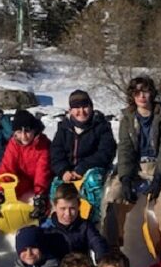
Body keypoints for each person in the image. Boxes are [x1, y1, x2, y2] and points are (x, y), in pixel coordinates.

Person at [100, 77, 161, 248]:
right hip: (135, 169)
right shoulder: (127, 118)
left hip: (159, 168)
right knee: (113, 196)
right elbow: (125, 150)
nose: (142, 96)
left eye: (145, 91)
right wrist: (126, 178)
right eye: (137, 92)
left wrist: (159, 177)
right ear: (132, 96)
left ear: (152, 93)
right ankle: (112, 245)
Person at [49, 89, 116, 224]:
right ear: (70, 110)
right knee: (56, 188)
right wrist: (63, 170)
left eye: (85, 107)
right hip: (69, 171)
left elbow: (106, 152)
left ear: (91, 107)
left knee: (93, 182)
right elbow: (56, 151)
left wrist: (83, 168)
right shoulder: (64, 128)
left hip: (92, 169)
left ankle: (97, 222)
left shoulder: (101, 126)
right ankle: (59, 223)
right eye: (77, 108)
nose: (82, 111)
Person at [0, 110, 52, 222]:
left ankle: (41, 218)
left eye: (27, 131)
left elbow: (42, 171)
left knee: (46, 202)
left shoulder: (42, 144)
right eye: (19, 132)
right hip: (21, 180)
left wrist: (40, 194)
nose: (24, 136)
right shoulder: (14, 144)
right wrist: (1, 191)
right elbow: (7, 167)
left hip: (39, 182)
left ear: (34, 130)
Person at [41, 183, 108, 263]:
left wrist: (102, 260)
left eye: (72, 208)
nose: (68, 214)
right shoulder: (46, 229)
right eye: (63, 208)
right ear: (55, 207)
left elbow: (97, 242)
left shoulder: (85, 226)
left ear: (78, 206)